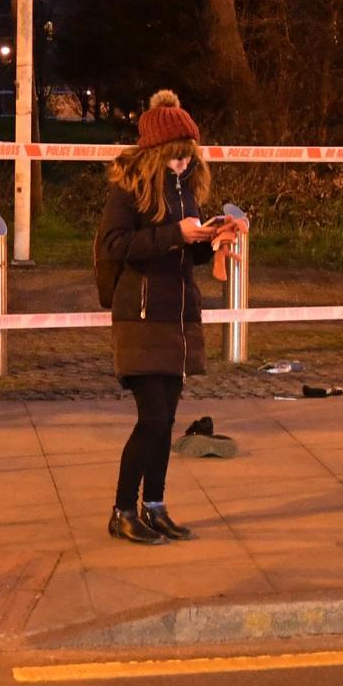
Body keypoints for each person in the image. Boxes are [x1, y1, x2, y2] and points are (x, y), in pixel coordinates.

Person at [95, 90, 242, 546]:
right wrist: (171, 233)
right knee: (153, 419)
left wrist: (212, 240)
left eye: (187, 160)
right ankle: (121, 511)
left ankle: (154, 506)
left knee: (168, 419)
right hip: (139, 316)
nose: (182, 167)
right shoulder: (128, 188)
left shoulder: (186, 189)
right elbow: (114, 246)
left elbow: (183, 254)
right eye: (175, 160)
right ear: (156, 154)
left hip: (178, 316)